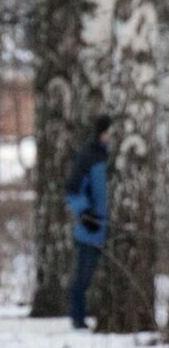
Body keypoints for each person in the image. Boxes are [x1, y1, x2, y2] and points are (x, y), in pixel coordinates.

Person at [64, 114, 111, 330]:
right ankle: (77, 316)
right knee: (83, 276)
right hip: (90, 227)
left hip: (105, 227)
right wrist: (85, 213)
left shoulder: (108, 156)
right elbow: (72, 189)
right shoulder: (88, 156)